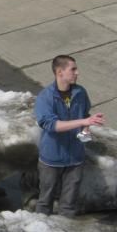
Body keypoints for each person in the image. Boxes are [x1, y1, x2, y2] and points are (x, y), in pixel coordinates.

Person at [34, 55, 105, 216]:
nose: (77, 72)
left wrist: (87, 127)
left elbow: (85, 115)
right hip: (51, 159)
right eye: (73, 69)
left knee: (68, 206)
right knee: (45, 203)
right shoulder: (45, 97)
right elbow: (51, 125)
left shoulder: (80, 92)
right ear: (59, 72)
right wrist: (84, 120)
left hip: (75, 158)